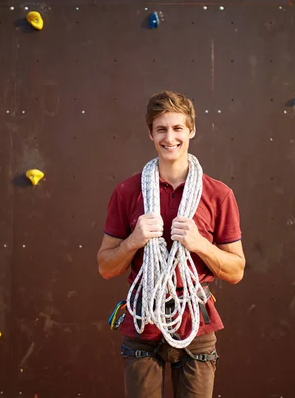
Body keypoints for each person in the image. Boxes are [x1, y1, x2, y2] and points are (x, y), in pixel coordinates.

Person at [97, 90, 245, 398]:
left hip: (196, 325)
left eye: (178, 128)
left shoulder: (218, 195)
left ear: (191, 130)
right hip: (143, 325)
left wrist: (200, 244)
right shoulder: (127, 192)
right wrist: (133, 242)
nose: (170, 137)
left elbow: (236, 271)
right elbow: (106, 267)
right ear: (150, 133)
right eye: (161, 129)